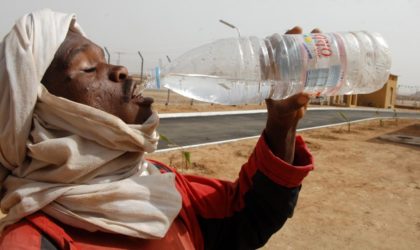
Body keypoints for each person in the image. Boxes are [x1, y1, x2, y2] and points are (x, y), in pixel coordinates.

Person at [0, 9, 314, 250]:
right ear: (46, 113)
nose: (120, 71)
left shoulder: (160, 185)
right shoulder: (34, 240)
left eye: (106, 60)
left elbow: (248, 215)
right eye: (88, 68)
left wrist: (282, 122)